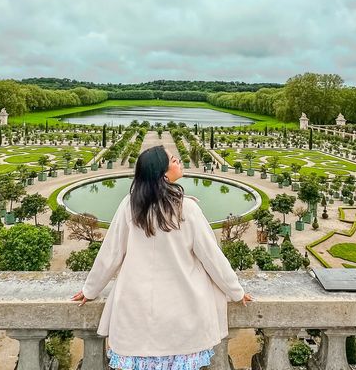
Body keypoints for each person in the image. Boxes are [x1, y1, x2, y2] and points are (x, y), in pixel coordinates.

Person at [71, 145, 252, 369]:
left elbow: (110, 254)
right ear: (163, 174)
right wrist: (236, 291)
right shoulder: (187, 208)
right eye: (174, 160)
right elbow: (212, 258)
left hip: (136, 314)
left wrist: (90, 290)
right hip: (182, 315)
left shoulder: (129, 206)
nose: (180, 163)